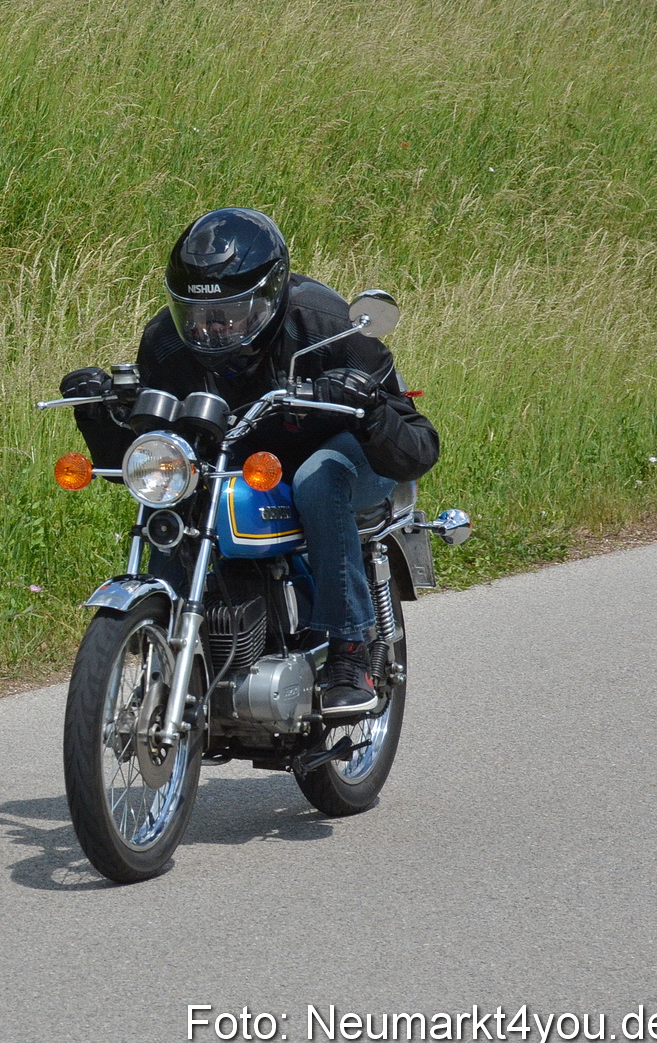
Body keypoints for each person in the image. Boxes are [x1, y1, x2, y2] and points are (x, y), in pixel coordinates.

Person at [61, 208, 439, 717]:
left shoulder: (327, 327)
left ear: (269, 297)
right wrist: (98, 412)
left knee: (316, 482)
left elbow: (418, 446)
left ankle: (349, 651)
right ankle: (175, 641)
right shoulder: (168, 345)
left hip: (346, 455)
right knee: (179, 480)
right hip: (241, 458)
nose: (211, 329)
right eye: (195, 314)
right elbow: (144, 455)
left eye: (230, 312)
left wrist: (367, 404)